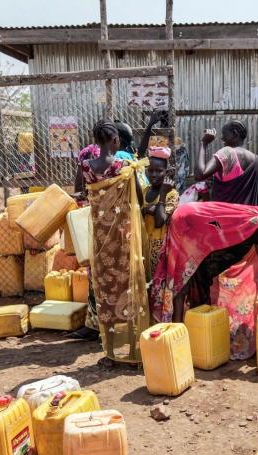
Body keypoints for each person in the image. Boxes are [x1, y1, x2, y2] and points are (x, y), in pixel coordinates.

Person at [151, 202, 258, 360]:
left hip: (193, 216)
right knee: (182, 278)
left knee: (194, 277)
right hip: (189, 220)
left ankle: (191, 336)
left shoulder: (254, 215)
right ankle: (177, 337)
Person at [78, 120, 150, 364]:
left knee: (105, 284)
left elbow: (82, 190)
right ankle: (132, 349)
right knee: (129, 282)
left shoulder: (86, 166)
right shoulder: (124, 166)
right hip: (123, 232)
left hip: (100, 234)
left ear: (96, 142)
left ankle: (109, 351)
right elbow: (139, 196)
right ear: (115, 141)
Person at [195, 121, 258, 207]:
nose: (222, 138)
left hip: (226, 217)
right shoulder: (257, 161)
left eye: (224, 134)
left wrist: (204, 143)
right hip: (251, 217)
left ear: (234, 133)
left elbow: (199, 175)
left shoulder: (227, 153)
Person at [142, 146, 179, 281]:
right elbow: (137, 213)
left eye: (159, 171)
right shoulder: (145, 190)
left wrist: (162, 194)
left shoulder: (171, 194)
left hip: (160, 249)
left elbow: (159, 221)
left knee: (156, 283)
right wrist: (146, 210)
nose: (153, 175)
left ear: (167, 172)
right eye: (150, 170)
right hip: (143, 246)